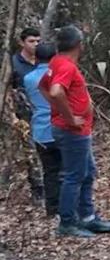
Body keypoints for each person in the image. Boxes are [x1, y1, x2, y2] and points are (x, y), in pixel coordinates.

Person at [43, 26, 110, 238]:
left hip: (76, 129)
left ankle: (87, 217)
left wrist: (59, 110)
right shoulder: (65, 66)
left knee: (87, 172)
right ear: (78, 45)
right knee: (74, 175)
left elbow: (43, 87)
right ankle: (67, 222)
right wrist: (69, 117)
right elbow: (55, 91)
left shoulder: (55, 62)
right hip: (72, 130)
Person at [22, 43, 61, 217]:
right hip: (60, 127)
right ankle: (69, 207)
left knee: (49, 171)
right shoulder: (59, 76)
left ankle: (52, 208)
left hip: (40, 131)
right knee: (67, 171)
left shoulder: (28, 78)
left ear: (36, 58)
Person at [11, 27, 45, 203]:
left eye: (38, 41)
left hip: (45, 112)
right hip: (24, 115)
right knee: (30, 152)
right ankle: (37, 189)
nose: (36, 45)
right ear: (22, 42)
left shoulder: (43, 60)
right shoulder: (13, 63)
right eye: (32, 41)